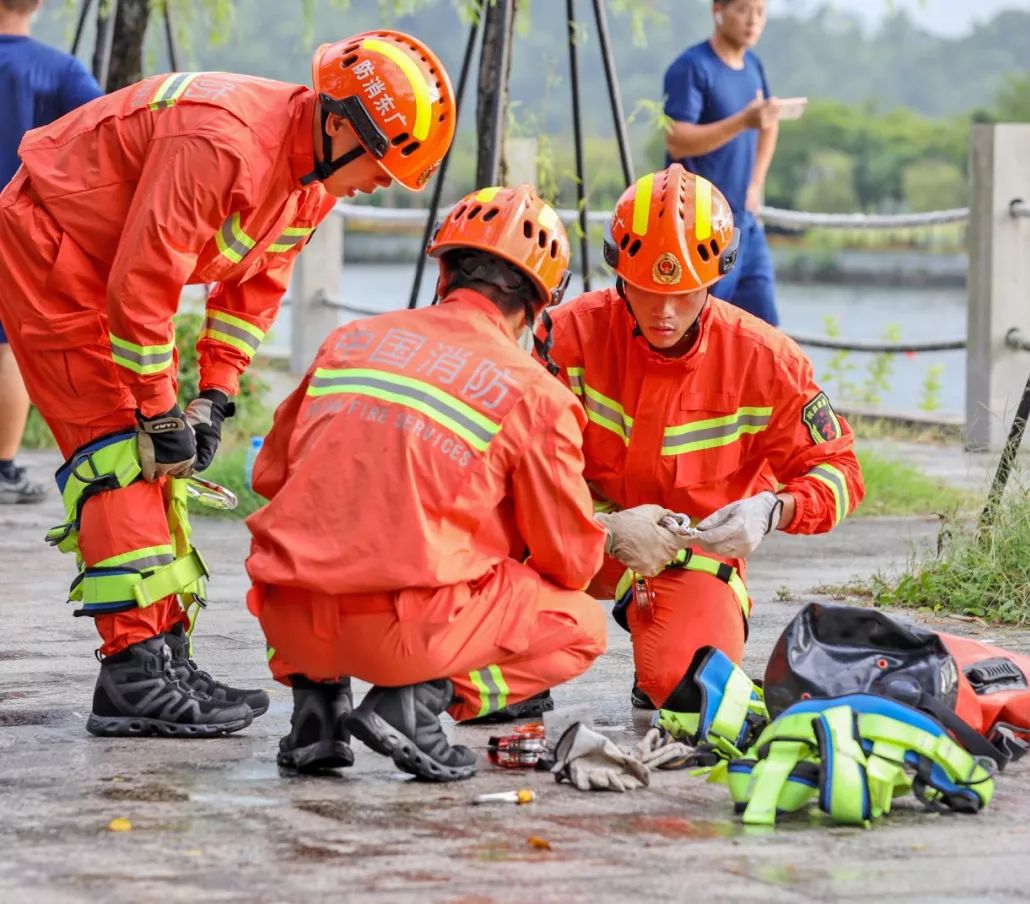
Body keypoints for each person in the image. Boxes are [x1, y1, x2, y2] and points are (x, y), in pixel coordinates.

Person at [0, 29, 456, 738]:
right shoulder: (224, 143)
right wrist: (156, 411)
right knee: (119, 449)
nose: (379, 183)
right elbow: (143, 287)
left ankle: (162, 655)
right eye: (378, 163)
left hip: (104, 261)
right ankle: (133, 674)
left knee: (154, 457)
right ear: (339, 124)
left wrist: (211, 397)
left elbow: (251, 296)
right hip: (51, 246)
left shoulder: (311, 182)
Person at [245, 184, 677, 779]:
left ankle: (317, 713)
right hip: (398, 635)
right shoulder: (534, 393)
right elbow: (571, 563)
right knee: (578, 627)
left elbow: (271, 475)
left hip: (286, 621)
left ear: (444, 272)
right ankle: (418, 705)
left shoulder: (348, 342)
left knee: (321, 541)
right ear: (536, 305)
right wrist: (613, 531)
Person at [547, 163, 865, 712]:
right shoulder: (564, 337)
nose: (665, 311)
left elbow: (841, 473)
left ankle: (663, 639)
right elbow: (494, 465)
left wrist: (773, 510)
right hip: (569, 539)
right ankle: (512, 665)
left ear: (717, 278)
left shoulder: (764, 360)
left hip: (689, 555)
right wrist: (599, 529)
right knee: (486, 624)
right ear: (618, 272)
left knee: (689, 691)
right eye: (646, 290)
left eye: (685, 293)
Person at [0, 0, 101, 503]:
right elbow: (105, 136)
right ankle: (3, 469)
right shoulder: (60, 70)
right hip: (21, 228)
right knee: (7, 347)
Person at [663, 0, 781, 325]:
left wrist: (756, 183)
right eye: (743, 10)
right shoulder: (692, 67)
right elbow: (676, 139)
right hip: (700, 225)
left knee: (764, 330)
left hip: (746, 222)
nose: (752, 21)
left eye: (760, 12)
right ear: (718, 10)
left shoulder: (753, 65)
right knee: (700, 327)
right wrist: (742, 121)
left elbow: (770, 122)